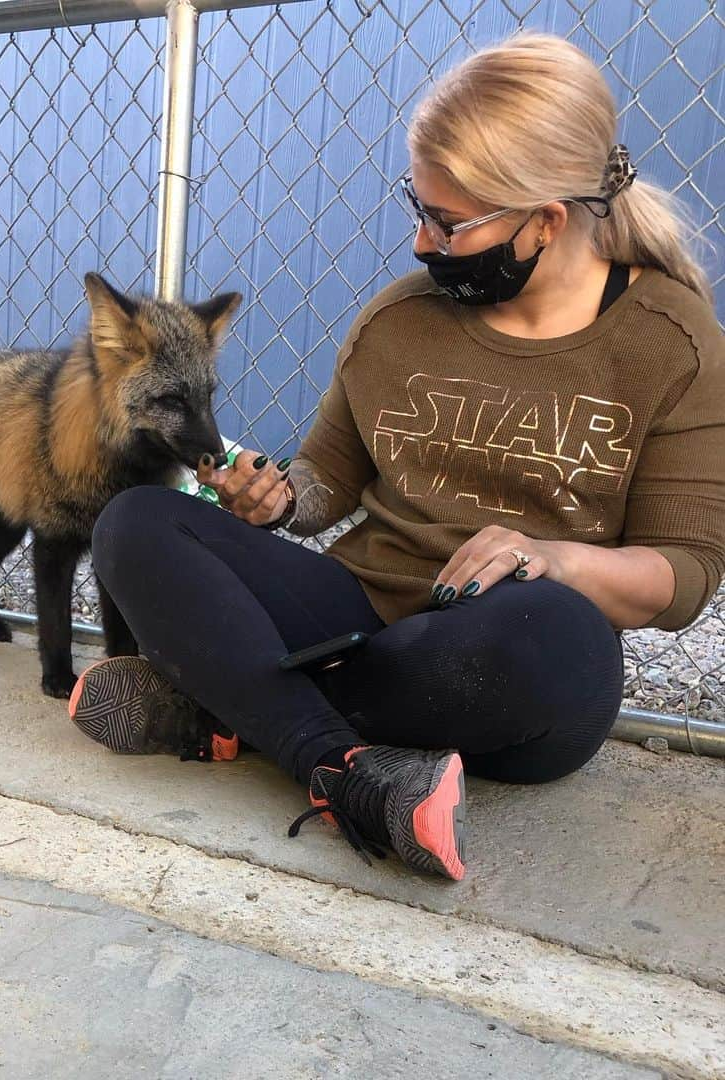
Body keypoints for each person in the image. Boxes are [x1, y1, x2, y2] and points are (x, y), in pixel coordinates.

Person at [67, 33, 725, 881]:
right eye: (417, 208)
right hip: (355, 610)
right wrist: (277, 500)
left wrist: (554, 559)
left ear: (546, 222)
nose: (419, 243)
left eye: (446, 223)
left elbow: (686, 576)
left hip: (496, 653)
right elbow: (329, 478)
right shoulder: (397, 320)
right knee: (137, 522)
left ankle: (231, 703)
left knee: (560, 642)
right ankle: (347, 771)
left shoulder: (673, 344)